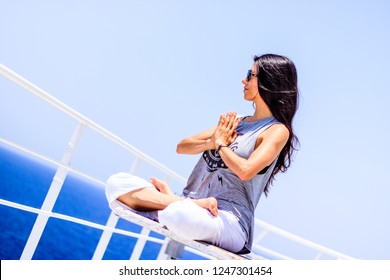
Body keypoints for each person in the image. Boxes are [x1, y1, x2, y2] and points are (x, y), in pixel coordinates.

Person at [106, 53, 299, 254]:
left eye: (250, 75)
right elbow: (182, 146)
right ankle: (187, 203)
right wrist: (213, 142)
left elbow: (245, 171)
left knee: (178, 216)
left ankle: (172, 204)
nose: (244, 80)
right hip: (191, 206)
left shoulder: (276, 131)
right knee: (116, 183)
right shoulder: (236, 123)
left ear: (269, 81)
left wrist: (222, 145)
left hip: (229, 220)